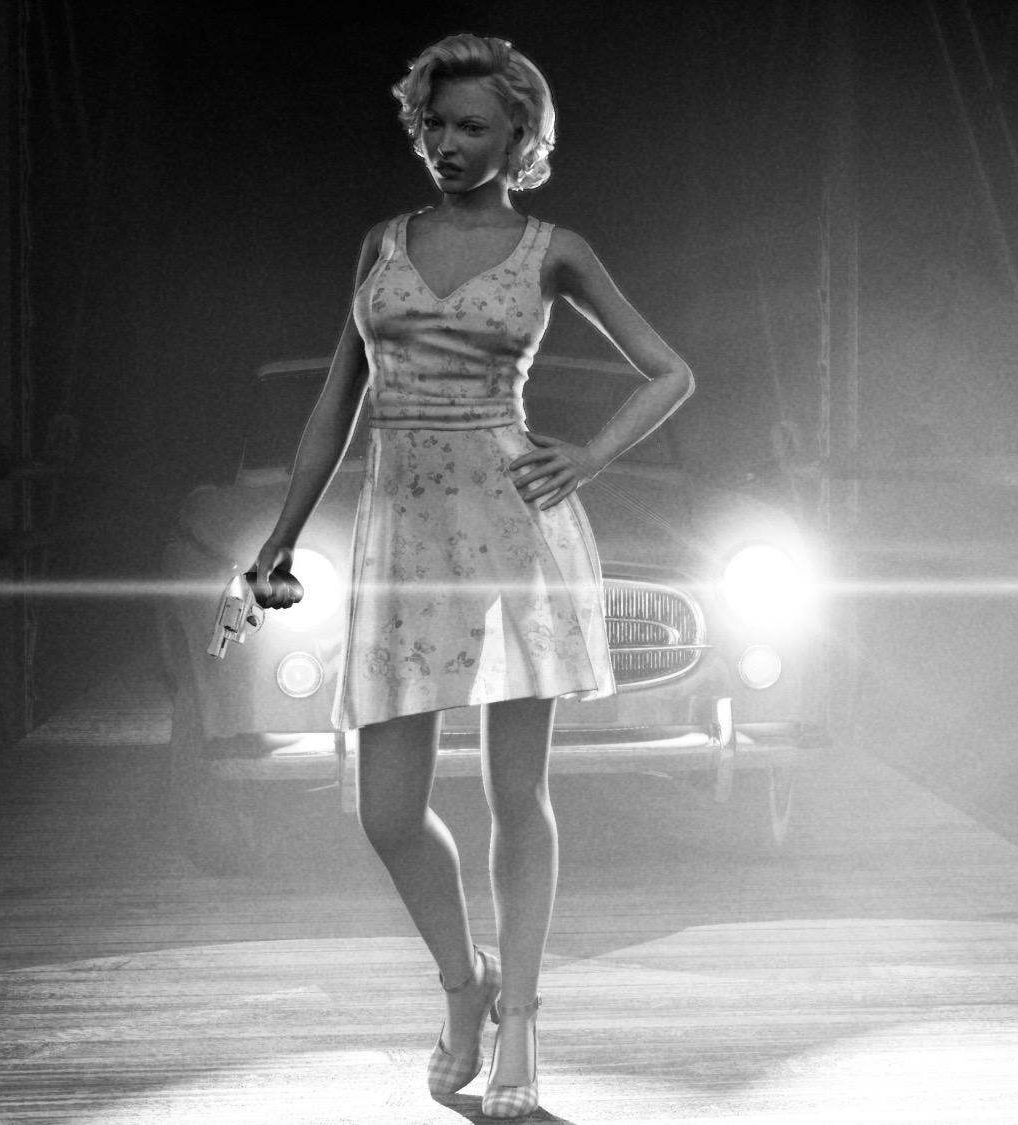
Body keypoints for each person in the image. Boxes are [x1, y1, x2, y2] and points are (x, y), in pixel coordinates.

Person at [248, 32, 693, 1118]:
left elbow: (670, 371)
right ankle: (466, 984)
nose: (446, 144)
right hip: (402, 535)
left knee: (514, 792)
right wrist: (279, 540)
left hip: (512, 528)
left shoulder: (554, 250)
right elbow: (335, 405)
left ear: (519, 136)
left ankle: (524, 1027)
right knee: (385, 812)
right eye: (434, 124)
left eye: (472, 127)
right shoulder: (382, 243)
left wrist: (589, 457)